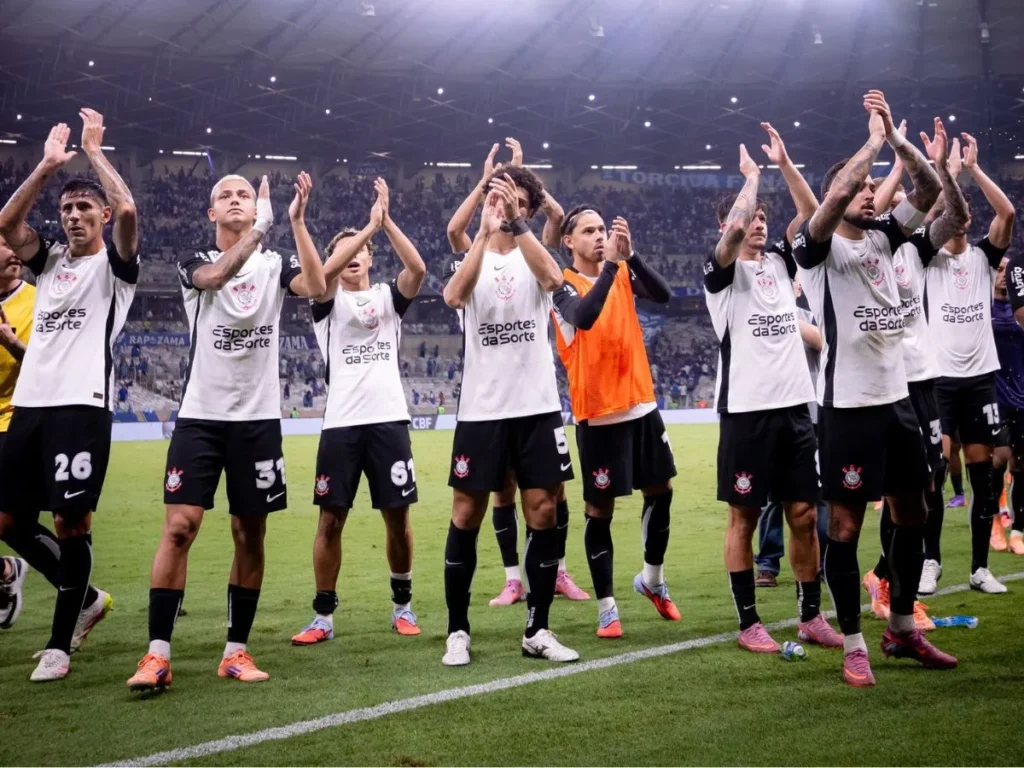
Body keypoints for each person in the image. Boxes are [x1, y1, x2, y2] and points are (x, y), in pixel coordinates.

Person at [127, 171, 326, 691]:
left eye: (243, 193)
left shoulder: (275, 263)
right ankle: (157, 655)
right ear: (211, 213)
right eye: (225, 196)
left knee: (249, 533)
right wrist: (259, 228)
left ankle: (236, 651)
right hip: (201, 416)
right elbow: (215, 277)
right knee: (180, 527)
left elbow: (318, 287)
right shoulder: (193, 259)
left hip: (258, 420)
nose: (236, 200)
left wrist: (296, 223)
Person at [793, 91, 956, 687]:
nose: (869, 193)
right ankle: (854, 643)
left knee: (912, 512)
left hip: (897, 402)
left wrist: (895, 139)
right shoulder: (815, 250)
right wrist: (868, 142)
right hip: (847, 410)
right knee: (844, 527)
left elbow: (929, 190)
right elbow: (835, 194)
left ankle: (903, 630)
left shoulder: (888, 238)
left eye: (870, 187)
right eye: (861, 188)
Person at [0, 111, 138, 681]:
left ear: (101, 216)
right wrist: (47, 167)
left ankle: (60, 643)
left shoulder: (117, 267)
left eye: (84, 208)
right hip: (30, 407)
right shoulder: (49, 262)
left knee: (69, 525)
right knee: (8, 520)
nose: (74, 215)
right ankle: (86, 599)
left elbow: (129, 210)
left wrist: (93, 153)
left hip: (80, 408)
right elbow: (7, 225)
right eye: (66, 209)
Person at [704, 130, 841, 653]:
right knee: (742, 515)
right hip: (745, 413)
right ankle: (748, 623)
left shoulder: (784, 264)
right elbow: (736, 224)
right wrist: (752, 180)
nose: (758, 224)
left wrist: (783, 165)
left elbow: (817, 215)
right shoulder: (719, 273)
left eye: (764, 217)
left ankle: (811, 614)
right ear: (728, 228)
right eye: (751, 218)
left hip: (795, 411)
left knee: (804, 514)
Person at [441, 166, 577, 666]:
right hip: (482, 411)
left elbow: (554, 278)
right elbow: (454, 295)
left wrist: (520, 223)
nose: (504, 206)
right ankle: (458, 631)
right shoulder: (471, 258)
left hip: (537, 408)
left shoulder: (534, 254)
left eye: (514, 199)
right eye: (497, 198)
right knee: (466, 516)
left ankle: (537, 629)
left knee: (543, 512)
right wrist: (480, 231)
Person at [292, 178, 427, 646]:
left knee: (397, 517)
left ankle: (402, 607)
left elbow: (418, 268)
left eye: (360, 248)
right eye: (343, 249)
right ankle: (323, 617)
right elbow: (320, 276)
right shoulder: (325, 300)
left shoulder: (388, 298)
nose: (352, 254)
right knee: (330, 521)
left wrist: (383, 223)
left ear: (370, 257)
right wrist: (364, 230)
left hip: (389, 420)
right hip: (341, 425)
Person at [550, 203, 678, 639]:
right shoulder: (560, 286)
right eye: (589, 231)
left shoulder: (620, 271)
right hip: (599, 413)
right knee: (599, 508)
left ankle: (652, 579)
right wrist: (612, 267)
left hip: (641, 402)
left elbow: (663, 296)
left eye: (603, 229)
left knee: (662, 490)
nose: (599, 236)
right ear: (569, 241)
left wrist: (633, 256)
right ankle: (607, 607)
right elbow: (584, 317)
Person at [910, 130, 1013, 594]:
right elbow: (931, 213)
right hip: (941, 381)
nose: (963, 220)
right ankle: (931, 561)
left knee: (984, 475)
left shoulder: (983, 259)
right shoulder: (928, 260)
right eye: (958, 214)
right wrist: (945, 170)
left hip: (980, 381)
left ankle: (978, 568)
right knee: (935, 472)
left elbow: (1007, 212)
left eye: (967, 215)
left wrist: (972, 168)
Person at [990, 255, 1024, 555]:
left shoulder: (1019, 308)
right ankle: (994, 522)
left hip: (1021, 393)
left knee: (1021, 464)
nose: (1004, 276)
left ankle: (1018, 529)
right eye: (999, 270)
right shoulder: (981, 307)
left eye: (1008, 271)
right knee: (998, 459)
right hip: (993, 396)